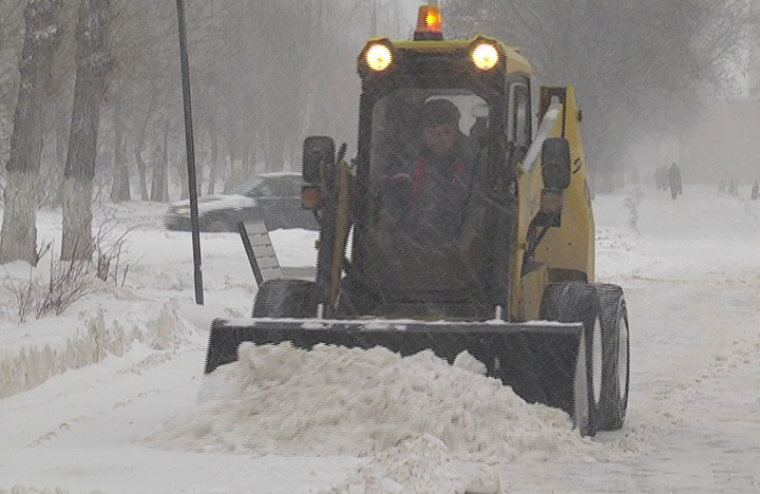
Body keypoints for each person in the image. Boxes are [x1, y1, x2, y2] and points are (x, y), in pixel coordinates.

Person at [374, 98, 487, 293]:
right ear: (422, 134)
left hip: (459, 239)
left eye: (446, 132)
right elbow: (391, 191)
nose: (439, 138)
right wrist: (388, 210)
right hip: (411, 237)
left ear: (456, 133)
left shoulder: (475, 162)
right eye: (431, 132)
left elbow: (480, 198)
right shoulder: (405, 161)